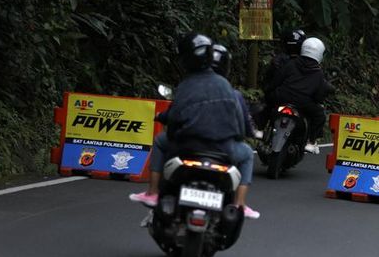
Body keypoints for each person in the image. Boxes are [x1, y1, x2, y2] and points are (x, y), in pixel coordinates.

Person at [129, 33, 260, 219]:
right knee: (247, 154)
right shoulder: (227, 87)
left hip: (187, 146)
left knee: (159, 140)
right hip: (224, 149)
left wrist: (165, 121)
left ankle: (152, 192)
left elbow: (174, 116)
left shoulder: (186, 85)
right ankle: (239, 204)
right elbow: (241, 125)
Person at [268, 37, 334, 154]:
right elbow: (318, 97)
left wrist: (270, 90)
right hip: (303, 103)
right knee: (320, 116)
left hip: (282, 97)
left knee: (267, 103)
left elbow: (277, 80)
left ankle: (260, 128)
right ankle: (311, 141)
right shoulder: (318, 72)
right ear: (319, 53)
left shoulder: (291, 64)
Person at [212, 44, 263, 140]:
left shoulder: (187, 89)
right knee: (247, 152)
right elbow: (247, 128)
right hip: (222, 146)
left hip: (190, 146)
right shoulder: (234, 95)